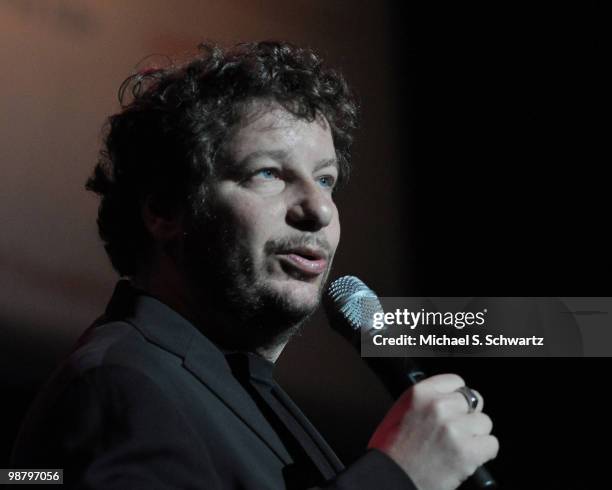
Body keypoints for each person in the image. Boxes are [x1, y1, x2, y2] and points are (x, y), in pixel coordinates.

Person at [11, 41, 498, 489]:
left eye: (326, 180)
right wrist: (397, 476)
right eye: (268, 173)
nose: (320, 210)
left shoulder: (233, 388)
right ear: (163, 210)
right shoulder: (121, 384)